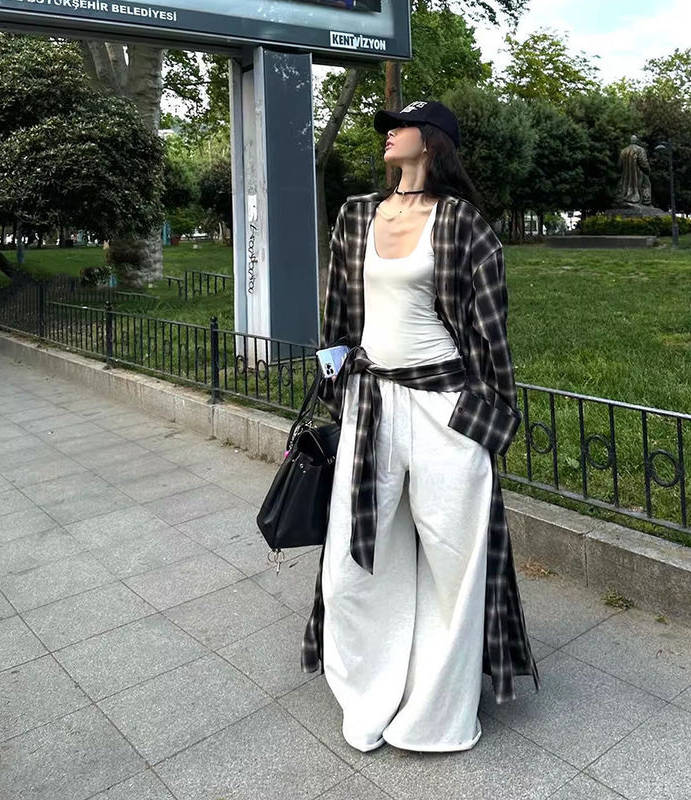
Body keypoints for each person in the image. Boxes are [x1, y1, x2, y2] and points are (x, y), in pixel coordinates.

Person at [301, 100, 539, 754]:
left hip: (444, 405)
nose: (387, 134)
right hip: (372, 402)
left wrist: (489, 419)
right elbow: (338, 314)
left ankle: (436, 711)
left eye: (398, 126)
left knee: (454, 559)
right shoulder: (357, 214)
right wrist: (336, 388)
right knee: (354, 555)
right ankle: (368, 691)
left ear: (430, 140)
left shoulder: (463, 224)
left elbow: (490, 332)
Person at [617, 135, 652, 206]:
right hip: (639, 174)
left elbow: (619, 165)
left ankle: (626, 198)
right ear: (637, 141)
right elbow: (643, 163)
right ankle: (645, 201)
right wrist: (647, 170)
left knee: (625, 187)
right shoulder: (640, 150)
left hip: (626, 176)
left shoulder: (623, 151)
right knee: (645, 185)